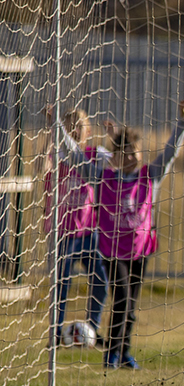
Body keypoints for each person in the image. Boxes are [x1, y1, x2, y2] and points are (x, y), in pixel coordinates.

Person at [59, 100, 184, 370]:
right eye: (126, 153)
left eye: (135, 152)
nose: (131, 157)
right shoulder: (102, 177)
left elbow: (170, 152)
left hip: (140, 250)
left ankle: (123, 352)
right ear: (115, 157)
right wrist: (57, 127)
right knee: (123, 300)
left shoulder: (150, 176)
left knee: (131, 306)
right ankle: (114, 354)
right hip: (111, 251)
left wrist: (182, 123)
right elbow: (74, 155)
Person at [41, 108, 110, 347]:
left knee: (101, 280)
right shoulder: (57, 155)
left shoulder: (95, 155)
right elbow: (44, 175)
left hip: (89, 232)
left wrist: (113, 137)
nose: (75, 129)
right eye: (70, 124)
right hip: (62, 233)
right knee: (61, 284)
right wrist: (51, 140)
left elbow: (118, 165)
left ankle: (92, 329)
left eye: (80, 125)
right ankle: (56, 334)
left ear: (88, 131)